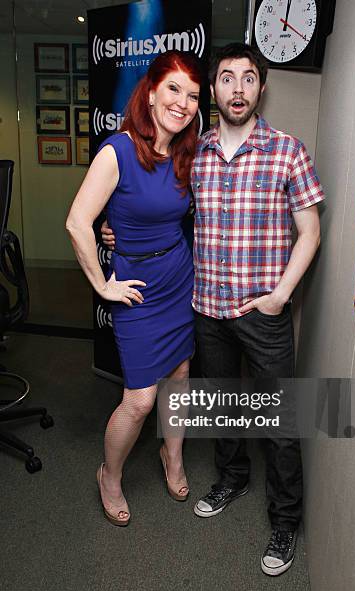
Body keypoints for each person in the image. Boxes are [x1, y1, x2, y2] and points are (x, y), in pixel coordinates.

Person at [102, 42, 325, 574]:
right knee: (222, 404)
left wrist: (279, 296)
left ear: (261, 88)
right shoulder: (192, 152)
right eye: (227, 79)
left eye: (249, 79)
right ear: (215, 90)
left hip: (262, 311)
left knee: (278, 420)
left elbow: (310, 233)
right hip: (204, 305)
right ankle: (230, 478)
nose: (238, 89)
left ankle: (285, 521)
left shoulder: (287, 151)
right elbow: (162, 214)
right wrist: (114, 232)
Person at [66, 50, 202, 526]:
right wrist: (103, 285)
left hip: (178, 280)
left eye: (192, 95)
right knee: (141, 398)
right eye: (173, 89)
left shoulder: (186, 153)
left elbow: (169, 214)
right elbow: (78, 222)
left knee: (181, 376)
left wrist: (114, 223)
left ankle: (173, 456)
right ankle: (109, 474)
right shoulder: (117, 150)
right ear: (150, 91)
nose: (182, 103)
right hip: (138, 288)